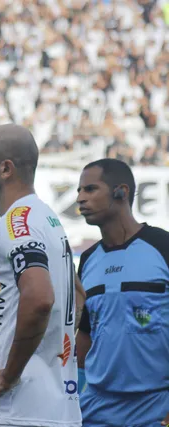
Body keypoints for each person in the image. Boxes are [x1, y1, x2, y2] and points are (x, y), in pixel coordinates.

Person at [0, 124, 82, 427]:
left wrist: (8, 375)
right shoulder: (47, 219)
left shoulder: (16, 222)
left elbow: (40, 298)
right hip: (54, 410)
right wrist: (54, 355)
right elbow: (77, 295)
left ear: (5, 169)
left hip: (12, 412)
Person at [75, 158, 169, 427]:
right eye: (79, 191)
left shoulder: (163, 247)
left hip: (154, 409)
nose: (81, 198)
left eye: (90, 189)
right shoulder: (88, 259)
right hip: (96, 410)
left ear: (122, 191)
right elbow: (85, 333)